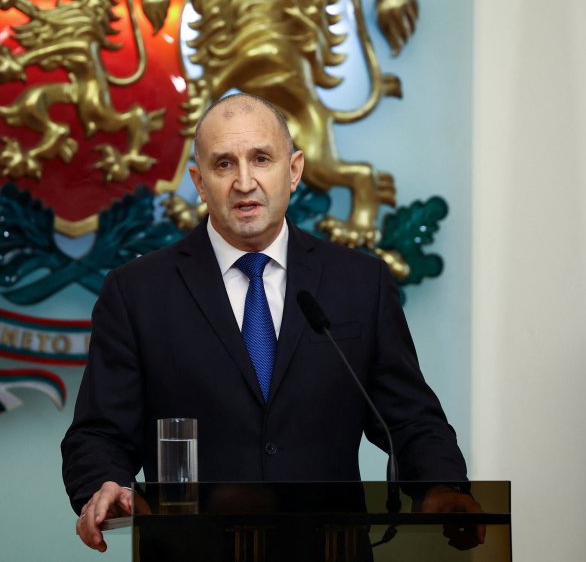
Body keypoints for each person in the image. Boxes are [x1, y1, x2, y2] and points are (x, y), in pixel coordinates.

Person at [61, 93, 481, 554]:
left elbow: (410, 419)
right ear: (199, 183)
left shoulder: (360, 283)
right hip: (192, 551)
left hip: (328, 549)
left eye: (261, 159)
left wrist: (443, 487)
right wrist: (105, 484)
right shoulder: (137, 292)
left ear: (294, 169)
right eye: (224, 165)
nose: (245, 182)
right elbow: (100, 432)